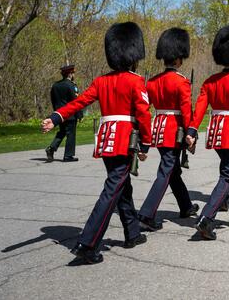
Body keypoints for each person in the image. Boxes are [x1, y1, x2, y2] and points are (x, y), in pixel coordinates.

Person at [40, 22, 151, 265]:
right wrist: (145, 144)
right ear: (133, 54)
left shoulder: (101, 81)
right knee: (113, 188)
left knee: (122, 185)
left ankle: (132, 232)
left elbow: (78, 103)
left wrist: (56, 117)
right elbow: (143, 114)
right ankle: (88, 243)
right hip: (124, 140)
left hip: (107, 139)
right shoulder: (135, 81)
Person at [187, 25, 229, 240]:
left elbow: (199, 108)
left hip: (216, 133)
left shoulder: (210, 81)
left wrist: (192, 129)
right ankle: (207, 218)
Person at [137, 28, 199, 231]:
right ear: (180, 58)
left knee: (173, 170)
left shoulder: (153, 81)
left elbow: (145, 108)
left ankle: (186, 206)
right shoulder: (182, 82)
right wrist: (191, 132)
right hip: (174, 130)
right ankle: (146, 214)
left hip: (159, 128)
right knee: (166, 169)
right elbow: (185, 111)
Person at [45, 64, 83, 162]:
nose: (74, 74)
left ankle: (51, 148)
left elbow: (53, 100)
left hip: (58, 114)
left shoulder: (55, 85)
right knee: (71, 134)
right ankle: (68, 155)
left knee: (62, 132)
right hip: (70, 114)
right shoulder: (71, 86)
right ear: (70, 74)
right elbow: (76, 102)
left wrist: (55, 114)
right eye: (73, 73)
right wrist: (79, 115)